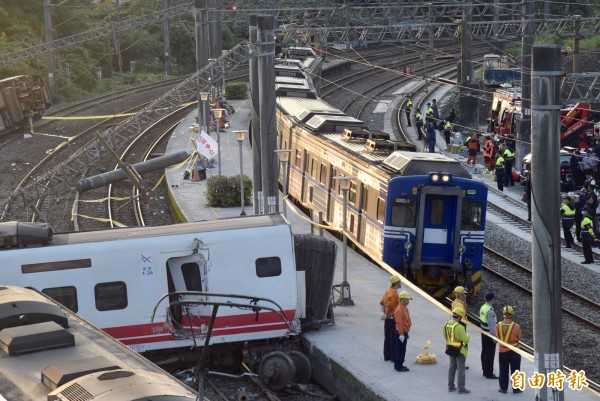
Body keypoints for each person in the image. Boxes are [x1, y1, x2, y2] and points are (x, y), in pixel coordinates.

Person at [495, 306, 522, 394]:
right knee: (515, 370)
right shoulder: (516, 326)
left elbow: (496, 336)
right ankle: (516, 388)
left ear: (503, 314)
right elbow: (519, 338)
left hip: (502, 351)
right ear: (512, 315)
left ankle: (503, 388)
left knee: (503, 370)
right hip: (514, 351)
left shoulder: (498, 325)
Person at [443, 307, 470, 393]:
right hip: (460, 350)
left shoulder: (445, 325)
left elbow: (445, 336)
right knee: (461, 368)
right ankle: (461, 388)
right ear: (459, 317)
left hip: (450, 349)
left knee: (452, 367)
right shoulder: (460, 327)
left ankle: (450, 386)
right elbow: (466, 340)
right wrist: (467, 336)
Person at [380, 275, 401, 362]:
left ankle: (386, 356)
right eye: (399, 282)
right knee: (393, 338)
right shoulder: (394, 293)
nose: (400, 283)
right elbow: (390, 306)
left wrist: (382, 313)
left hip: (387, 319)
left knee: (387, 337)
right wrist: (387, 314)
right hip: (392, 318)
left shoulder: (387, 290)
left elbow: (382, 303)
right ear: (396, 283)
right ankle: (393, 357)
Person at [479, 291, 498, 379]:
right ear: (492, 299)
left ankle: (484, 370)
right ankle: (489, 373)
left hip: (483, 332)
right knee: (490, 354)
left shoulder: (483, 307)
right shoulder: (490, 311)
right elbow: (492, 325)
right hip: (489, 335)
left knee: (484, 351)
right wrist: (494, 337)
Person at [393, 291, 412, 372]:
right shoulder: (399, 310)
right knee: (400, 350)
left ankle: (397, 365)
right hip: (401, 333)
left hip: (404, 332)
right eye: (407, 299)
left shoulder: (405, 308)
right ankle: (399, 366)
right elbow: (399, 323)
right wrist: (401, 334)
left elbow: (407, 319)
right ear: (403, 299)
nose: (408, 301)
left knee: (401, 349)